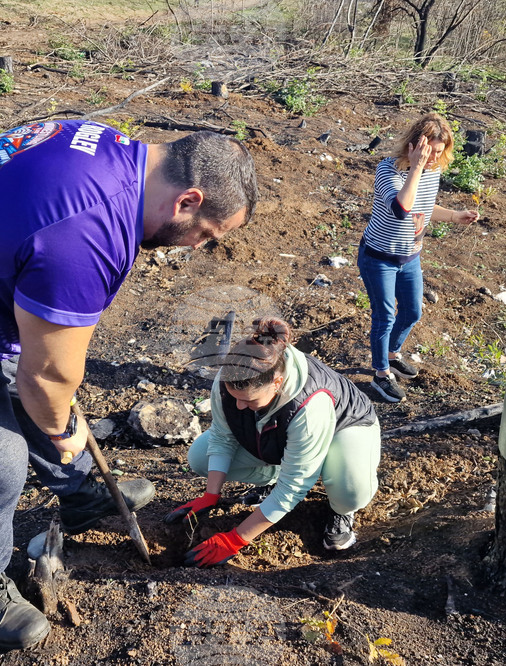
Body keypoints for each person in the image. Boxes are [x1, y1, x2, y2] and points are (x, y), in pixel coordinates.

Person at [0, 120, 258, 649]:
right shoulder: (88, 231)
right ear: (187, 201)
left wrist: (55, 399)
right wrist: (63, 428)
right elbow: (49, 377)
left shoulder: (100, 142)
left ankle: (80, 494)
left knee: (39, 387)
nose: (195, 246)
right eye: (206, 236)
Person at [164, 318, 380, 567]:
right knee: (201, 457)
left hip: (345, 427)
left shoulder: (311, 406)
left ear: (277, 384)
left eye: (249, 401)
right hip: (283, 429)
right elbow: (223, 437)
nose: (239, 406)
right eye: (235, 397)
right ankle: (273, 476)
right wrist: (210, 495)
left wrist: (236, 539)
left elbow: (294, 487)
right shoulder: (230, 378)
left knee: (350, 491)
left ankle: (342, 512)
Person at [359, 112, 479, 403]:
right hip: (379, 257)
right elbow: (402, 208)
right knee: (384, 316)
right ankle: (380, 375)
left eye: (439, 152)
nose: (434, 158)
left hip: (410, 256)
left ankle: (392, 353)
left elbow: (422, 206)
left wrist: (453, 215)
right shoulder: (388, 171)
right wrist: (414, 168)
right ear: (413, 146)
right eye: (429, 151)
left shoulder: (432, 172)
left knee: (412, 312)